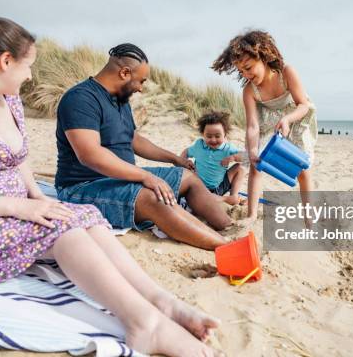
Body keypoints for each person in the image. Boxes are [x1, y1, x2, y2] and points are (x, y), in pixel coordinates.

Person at [0, 16, 221, 357]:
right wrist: (19, 206)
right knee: (64, 230)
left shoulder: (7, 100)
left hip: (8, 207)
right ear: (5, 61)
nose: (30, 75)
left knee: (87, 219)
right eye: (28, 66)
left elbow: (18, 157)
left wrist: (36, 195)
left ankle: (163, 303)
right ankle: (144, 323)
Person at [55, 44, 231, 250]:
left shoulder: (120, 101)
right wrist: (144, 176)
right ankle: (225, 247)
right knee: (153, 197)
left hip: (121, 178)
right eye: (141, 81)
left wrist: (174, 159)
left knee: (187, 178)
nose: (140, 88)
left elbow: (132, 139)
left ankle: (229, 227)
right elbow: (90, 154)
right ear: (124, 73)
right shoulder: (80, 99)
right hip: (83, 186)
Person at [212, 30, 318, 222]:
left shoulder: (286, 73)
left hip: (295, 116)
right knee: (255, 166)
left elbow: (303, 105)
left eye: (248, 67)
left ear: (263, 56)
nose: (245, 74)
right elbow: (252, 126)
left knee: (303, 169)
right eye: (240, 71)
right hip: (268, 121)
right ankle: (251, 215)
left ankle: (308, 218)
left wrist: (287, 120)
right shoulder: (249, 91)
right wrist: (252, 150)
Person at [181, 111, 246, 205]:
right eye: (209, 136)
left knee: (240, 168)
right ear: (203, 135)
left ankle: (233, 196)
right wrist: (183, 161)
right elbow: (186, 151)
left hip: (218, 187)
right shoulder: (199, 145)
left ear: (224, 135)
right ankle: (226, 199)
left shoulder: (227, 149)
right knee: (197, 196)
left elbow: (246, 157)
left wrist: (234, 157)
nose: (213, 140)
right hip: (199, 186)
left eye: (217, 136)